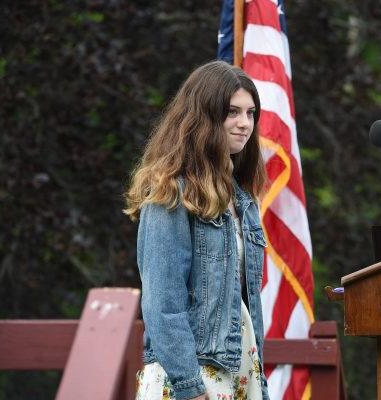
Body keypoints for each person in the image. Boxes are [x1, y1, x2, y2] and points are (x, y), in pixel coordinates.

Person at [124, 60, 269, 400]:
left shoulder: (244, 200)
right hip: (187, 378)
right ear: (203, 115)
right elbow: (163, 301)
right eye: (232, 112)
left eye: (250, 114)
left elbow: (246, 304)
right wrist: (190, 387)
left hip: (240, 370)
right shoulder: (171, 192)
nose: (243, 124)